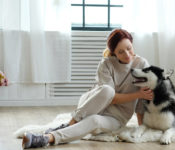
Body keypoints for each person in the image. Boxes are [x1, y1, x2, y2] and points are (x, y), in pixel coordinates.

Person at [22, 29, 153, 149]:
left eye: (129, 48)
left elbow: (143, 100)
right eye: (120, 52)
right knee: (108, 90)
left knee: (95, 121)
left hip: (116, 118)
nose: (127, 54)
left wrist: (141, 127)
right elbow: (111, 98)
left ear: (132, 43)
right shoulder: (106, 63)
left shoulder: (142, 65)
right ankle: (72, 123)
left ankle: (47, 138)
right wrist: (138, 94)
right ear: (114, 53)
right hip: (93, 104)